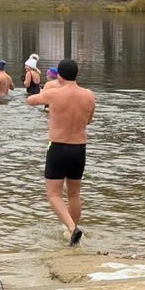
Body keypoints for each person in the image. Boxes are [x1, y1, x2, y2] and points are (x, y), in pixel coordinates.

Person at [27, 59, 96, 247]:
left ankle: (72, 228)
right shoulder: (89, 95)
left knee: (54, 195)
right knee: (74, 194)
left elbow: (30, 100)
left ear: (60, 75)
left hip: (58, 147)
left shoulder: (54, 94)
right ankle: (71, 232)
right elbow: (89, 120)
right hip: (79, 148)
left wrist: (49, 89)